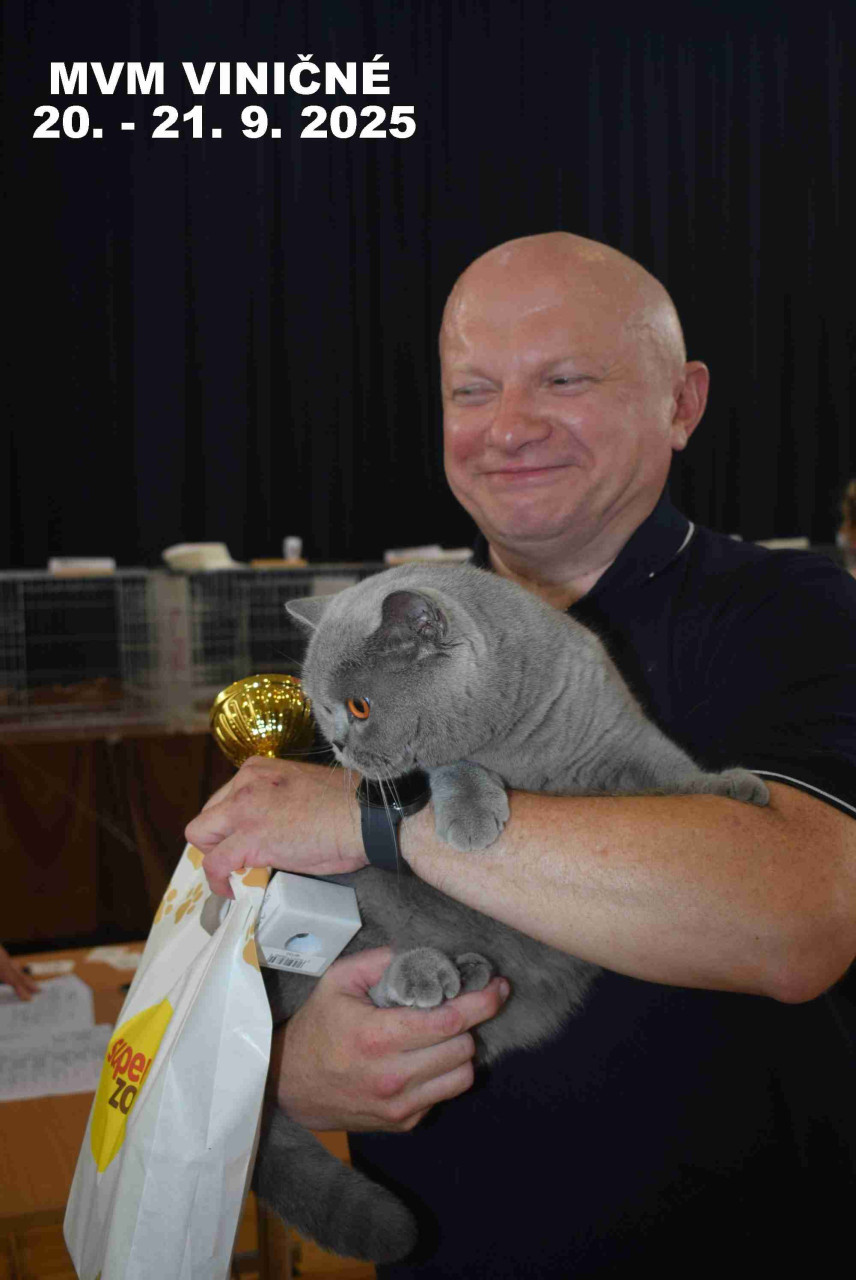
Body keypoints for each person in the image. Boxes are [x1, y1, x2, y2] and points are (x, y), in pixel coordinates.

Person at [186, 233, 856, 1277]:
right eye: (472, 390)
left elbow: (798, 919)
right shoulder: (380, 639)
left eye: (564, 379)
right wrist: (288, 1067)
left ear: (682, 402)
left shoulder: (798, 615)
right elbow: (265, 953)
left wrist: (374, 819)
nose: (507, 428)